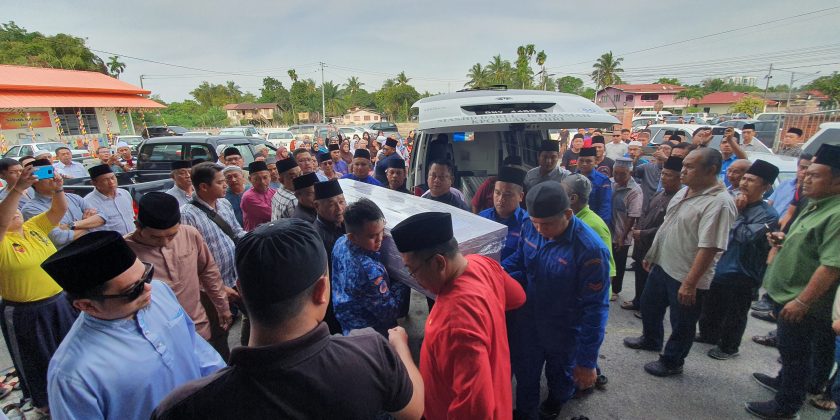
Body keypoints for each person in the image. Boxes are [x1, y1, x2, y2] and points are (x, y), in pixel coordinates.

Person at [151, 219, 423, 419]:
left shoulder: (184, 407)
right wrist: (401, 349)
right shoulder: (371, 354)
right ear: (321, 290)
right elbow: (413, 411)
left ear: (240, 290)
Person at [41, 231, 225, 420]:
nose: (148, 288)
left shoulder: (159, 291)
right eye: (133, 290)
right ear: (87, 306)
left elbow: (197, 349)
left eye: (147, 274)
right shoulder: (73, 374)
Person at [392, 211, 525, 419]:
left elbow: (477, 412)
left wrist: (401, 348)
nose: (414, 279)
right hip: (501, 401)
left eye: (412, 270)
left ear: (439, 263)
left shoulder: (455, 320)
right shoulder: (482, 263)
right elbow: (518, 297)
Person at [746, 145, 840, 419]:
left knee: (798, 355)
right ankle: (784, 383)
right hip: (787, 294)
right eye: (806, 173)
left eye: (815, 175)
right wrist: (783, 240)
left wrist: (802, 301)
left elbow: (831, 266)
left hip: (804, 301)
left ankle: (786, 406)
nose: (805, 179)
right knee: (790, 351)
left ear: (837, 181)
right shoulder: (816, 204)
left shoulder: (836, 214)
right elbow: (812, 246)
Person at [624, 148, 737, 377]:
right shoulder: (684, 191)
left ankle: (673, 361)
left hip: (686, 274)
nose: (683, 171)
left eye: (690, 167)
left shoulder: (719, 203)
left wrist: (690, 283)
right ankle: (651, 339)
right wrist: (653, 254)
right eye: (683, 165)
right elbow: (667, 225)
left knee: (682, 322)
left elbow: (710, 247)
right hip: (663, 264)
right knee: (649, 305)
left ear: (711, 170)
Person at [502, 182, 610, 419]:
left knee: (560, 377)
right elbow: (520, 259)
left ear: (568, 214)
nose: (540, 230)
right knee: (526, 374)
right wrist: (496, 273)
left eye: (548, 224)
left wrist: (587, 361)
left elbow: (595, 310)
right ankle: (526, 413)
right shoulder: (529, 224)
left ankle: (555, 402)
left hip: (564, 330)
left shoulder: (590, 251)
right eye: (536, 223)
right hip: (528, 321)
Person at [0, 164, 76, 416]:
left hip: (58, 302)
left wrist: (58, 189)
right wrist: (17, 189)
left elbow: (58, 211)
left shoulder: (34, 227)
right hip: (25, 311)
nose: (15, 213)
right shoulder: (3, 241)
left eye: (16, 210)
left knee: (69, 350)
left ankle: (73, 391)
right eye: (9, 212)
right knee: (36, 359)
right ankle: (45, 404)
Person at [125, 192, 233, 359]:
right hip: (158, 340)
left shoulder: (189, 234)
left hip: (198, 327)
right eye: (156, 237)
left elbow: (208, 271)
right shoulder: (125, 252)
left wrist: (222, 306)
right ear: (138, 226)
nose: (165, 242)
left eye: (171, 235)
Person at [697, 160, 780, 360]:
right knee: (712, 305)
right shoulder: (731, 200)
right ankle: (709, 335)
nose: (744, 183)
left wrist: (738, 213)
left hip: (743, 272)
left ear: (765, 186)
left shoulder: (768, 214)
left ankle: (729, 347)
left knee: (735, 313)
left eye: (751, 180)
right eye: (744, 178)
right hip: (719, 265)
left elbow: (746, 237)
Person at [331, 198, 408, 336]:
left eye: (382, 231)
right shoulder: (369, 272)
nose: (380, 239)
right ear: (352, 237)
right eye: (372, 236)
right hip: (371, 332)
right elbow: (390, 312)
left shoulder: (340, 242)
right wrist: (403, 277)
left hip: (346, 319)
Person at [623, 156, 683, 313]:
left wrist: (643, 233)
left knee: (652, 280)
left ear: (680, 178)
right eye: (663, 174)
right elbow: (645, 213)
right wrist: (638, 229)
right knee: (640, 275)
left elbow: (667, 226)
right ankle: (638, 301)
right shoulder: (659, 194)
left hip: (657, 245)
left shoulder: (679, 199)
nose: (663, 177)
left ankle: (646, 309)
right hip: (642, 242)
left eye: (668, 175)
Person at [180, 163, 247, 292]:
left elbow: (237, 232)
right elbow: (189, 260)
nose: (226, 185)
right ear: (204, 187)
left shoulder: (224, 204)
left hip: (236, 278)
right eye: (220, 182)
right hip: (213, 289)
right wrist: (218, 288)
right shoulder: (187, 215)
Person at [21, 159, 105, 248]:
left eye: (53, 172)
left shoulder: (73, 197)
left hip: (93, 247)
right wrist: (89, 226)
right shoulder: (31, 209)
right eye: (46, 174)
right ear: (34, 181)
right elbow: (58, 238)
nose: (53, 178)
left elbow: (102, 217)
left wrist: (71, 225)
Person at [561, 173, 616, 284]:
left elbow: (607, 271)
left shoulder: (593, 225)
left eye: (561, 193)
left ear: (572, 198)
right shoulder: (571, 219)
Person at [312, 179, 347, 334]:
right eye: (332, 204)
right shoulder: (317, 237)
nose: (339, 208)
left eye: (341, 201)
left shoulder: (344, 224)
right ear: (317, 206)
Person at [478, 166, 529, 261]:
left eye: (508, 195)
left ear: (520, 196)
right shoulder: (482, 218)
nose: (501, 199)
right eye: (497, 193)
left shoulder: (527, 224)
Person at [610, 158, 643, 302]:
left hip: (622, 232)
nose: (618, 177)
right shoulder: (611, 183)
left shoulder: (635, 190)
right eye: (615, 173)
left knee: (619, 262)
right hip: (609, 229)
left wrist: (622, 237)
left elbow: (633, 216)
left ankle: (615, 289)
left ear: (630, 173)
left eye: (622, 174)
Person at [83, 164, 135, 235]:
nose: (111, 182)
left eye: (113, 178)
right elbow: (91, 229)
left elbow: (132, 216)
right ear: (94, 183)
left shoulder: (125, 193)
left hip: (133, 237)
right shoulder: (88, 202)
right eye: (105, 180)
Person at [577, 147, 612, 226]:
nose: (584, 164)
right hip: (575, 220)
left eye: (588, 161)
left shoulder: (602, 180)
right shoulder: (572, 177)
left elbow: (605, 206)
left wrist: (600, 225)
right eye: (581, 160)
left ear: (595, 162)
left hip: (593, 222)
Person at [633, 143, 671, 210]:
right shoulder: (647, 166)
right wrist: (636, 158)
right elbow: (632, 172)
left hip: (662, 207)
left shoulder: (672, 171)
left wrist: (666, 159)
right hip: (645, 206)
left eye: (666, 149)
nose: (661, 151)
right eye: (659, 148)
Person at [240, 161, 276, 231]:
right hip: (256, 235)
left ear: (270, 177)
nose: (262, 182)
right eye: (257, 179)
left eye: (265, 177)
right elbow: (273, 214)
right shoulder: (248, 197)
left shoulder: (273, 192)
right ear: (250, 179)